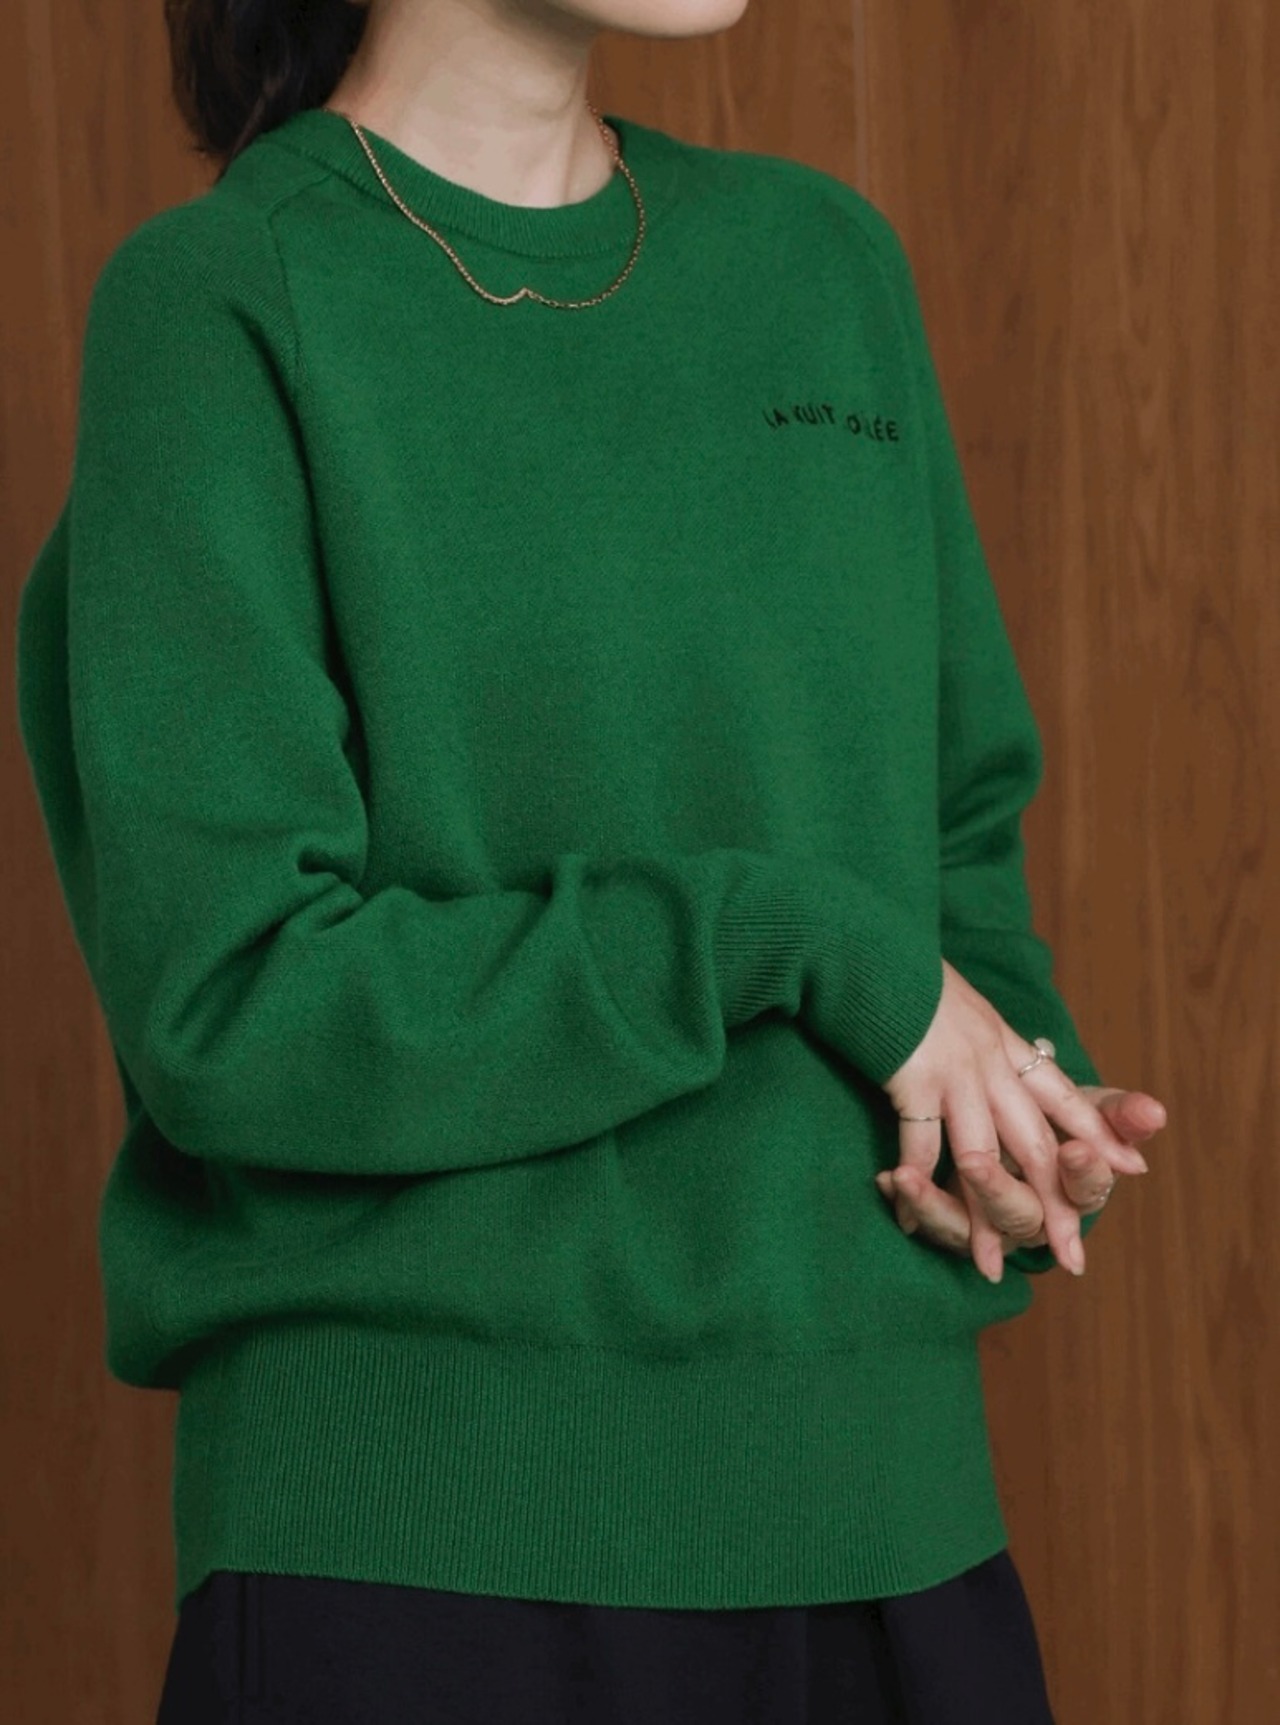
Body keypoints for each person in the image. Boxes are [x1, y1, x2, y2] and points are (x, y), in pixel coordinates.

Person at [13, 0, 1168, 1719]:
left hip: (894, 1534)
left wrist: (1013, 1119)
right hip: (420, 1568)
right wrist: (777, 937)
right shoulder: (222, 301)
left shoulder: (823, 267)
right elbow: (236, 1002)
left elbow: (952, 848)